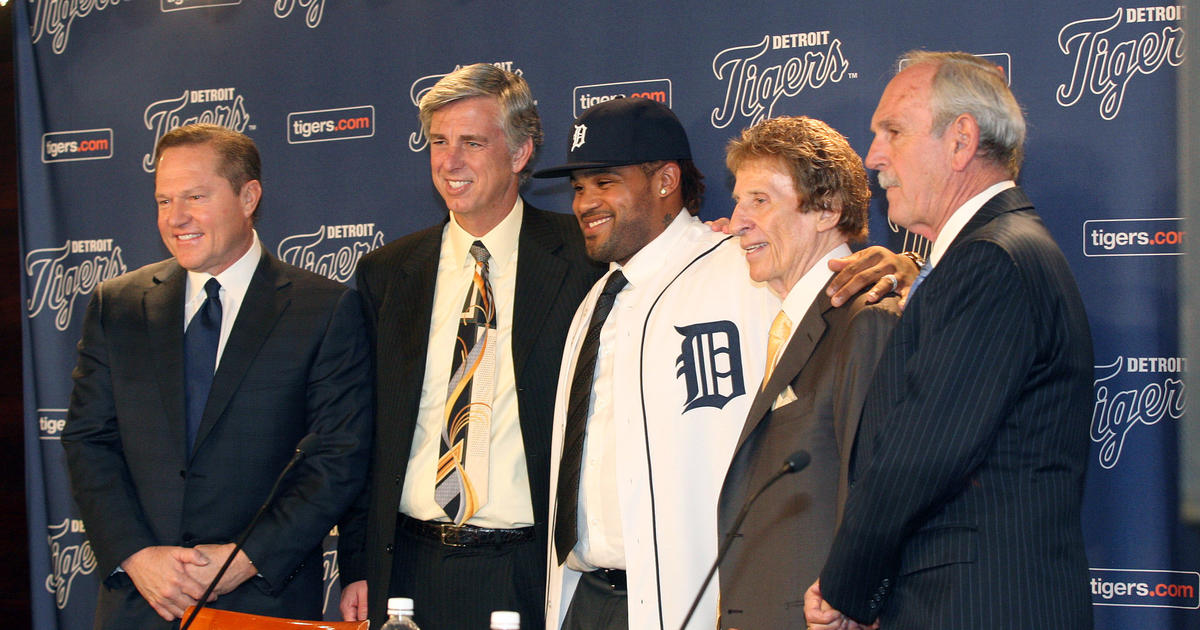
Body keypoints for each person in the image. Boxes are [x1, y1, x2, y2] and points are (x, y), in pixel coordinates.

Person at [535, 98, 917, 630]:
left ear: (666, 181)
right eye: (578, 187)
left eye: (604, 182)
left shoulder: (740, 265)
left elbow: (826, 281)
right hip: (583, 592)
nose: (584, 202)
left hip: (711, 599)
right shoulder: (597, 299)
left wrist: (901, 269)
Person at [805, 51, 1094, 630]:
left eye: (893, 132)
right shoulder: (990, 255)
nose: (873, 157)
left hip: (981, 605)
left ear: (961, 141)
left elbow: (919, 455)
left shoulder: (991, 261)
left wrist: (846, 588)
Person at [62, 123, 373, 630]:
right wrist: (139, 557)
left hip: (260, 602)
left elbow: (337, 458)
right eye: (164, 200)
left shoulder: (323, 309)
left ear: (248, 196)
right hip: (141, 602)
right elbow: (87, 441)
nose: (175, 217)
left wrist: (240, 561)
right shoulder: (117, 306)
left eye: (194, 197)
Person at [336, 63, 604, 630]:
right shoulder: (387, 273)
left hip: (530, 568)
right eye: (438, 142)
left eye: (472, 143)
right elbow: (361, 432)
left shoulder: (584, 262)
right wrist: (357, 563)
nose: (449, 161)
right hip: (407, 568)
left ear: (521, 151)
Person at [716, 116, 901, 629]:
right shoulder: (790, 321)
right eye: (738, 201)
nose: (737, 221)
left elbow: (874, 491)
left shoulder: (866, 320)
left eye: (760, 200)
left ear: (826, 210)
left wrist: (855, 598)